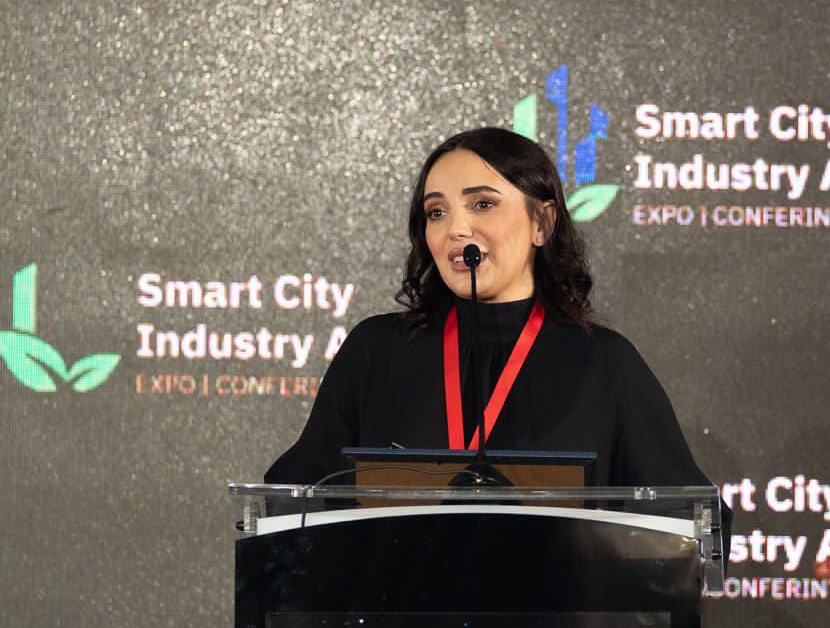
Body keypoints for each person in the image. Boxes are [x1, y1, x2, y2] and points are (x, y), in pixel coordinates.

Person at [265, 126, 716, 493]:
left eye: (483, 204)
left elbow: (683, 520)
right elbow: (296, 497)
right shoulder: (378, 350)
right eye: (436, 212)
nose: (456, 229)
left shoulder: (603, 362)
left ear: (542, 222)